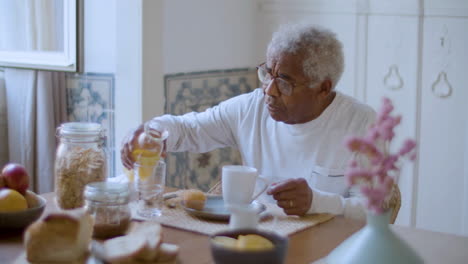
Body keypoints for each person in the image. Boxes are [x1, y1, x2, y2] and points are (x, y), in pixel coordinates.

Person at [121, 23, 375, 219]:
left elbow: (374, 211)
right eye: (267, 73)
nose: (269, 90)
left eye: (285, 82)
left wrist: (315, 202)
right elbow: (190, 129)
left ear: (323, 88)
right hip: (256, 238)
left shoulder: (361, 123)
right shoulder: (252, 107)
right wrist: (149, 132)